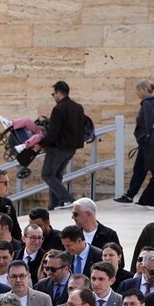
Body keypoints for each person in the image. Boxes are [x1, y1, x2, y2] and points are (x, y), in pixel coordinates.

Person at [36, 80, 87, 209]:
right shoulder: (78, 107)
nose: (53, 97)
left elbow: (53, 133)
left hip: (58, 149)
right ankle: (54, 205)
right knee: (56, 176)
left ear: (58, 93)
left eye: (53, 94)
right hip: (71, 149)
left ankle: (67, 199)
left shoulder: (58, 109)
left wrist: (41, 144)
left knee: (47, 174)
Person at [116, 80, 154, 205]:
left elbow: (149, 124)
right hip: (148, 144)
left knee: (140, 170)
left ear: (142, 90)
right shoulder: (152, 102)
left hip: (147, 144)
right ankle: (135, 196)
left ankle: (134, 197)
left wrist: (145, 139)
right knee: (142, 170)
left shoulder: (147, 104)